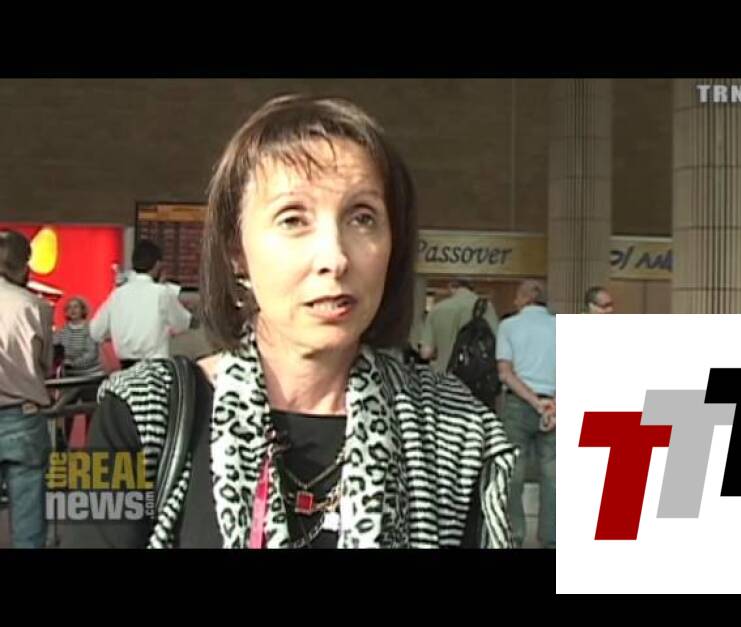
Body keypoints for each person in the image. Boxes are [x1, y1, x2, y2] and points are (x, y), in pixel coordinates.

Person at [65, 94, 516, 549]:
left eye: (362, 218)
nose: (335, 258)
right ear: (236, 251)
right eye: (293, 219)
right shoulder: (126, 409)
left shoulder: (459, 429)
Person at [0, 229, 53, 548]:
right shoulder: (35, 307)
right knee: (29, 526)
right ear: (24, 265)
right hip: (24, 418)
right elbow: (44, 364)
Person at [495, 279, 555, 549]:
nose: (514, 302)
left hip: (518, 404)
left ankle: (514, 534)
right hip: (553, 406)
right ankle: (552, 537)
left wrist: (533, 401)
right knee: (553, 474)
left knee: (514, 473)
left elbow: (505, 373)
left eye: (517, 297)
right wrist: (552, 404)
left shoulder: (508, 326)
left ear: (524, 298)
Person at [90, 240, 196, 368]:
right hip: (155, 370)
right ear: (157, 265)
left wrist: (115, 333)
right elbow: (182, 323)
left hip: (125, 369)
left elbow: (95, 331)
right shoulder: (162, 293)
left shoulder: (117, 294)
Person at [419, 278, 499, 373]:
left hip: (444, 374)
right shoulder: (486, 307)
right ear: (472, 288)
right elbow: (497, 344)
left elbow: (426, 353)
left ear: (451, 287)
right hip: (475, 374)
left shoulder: (437, 309)